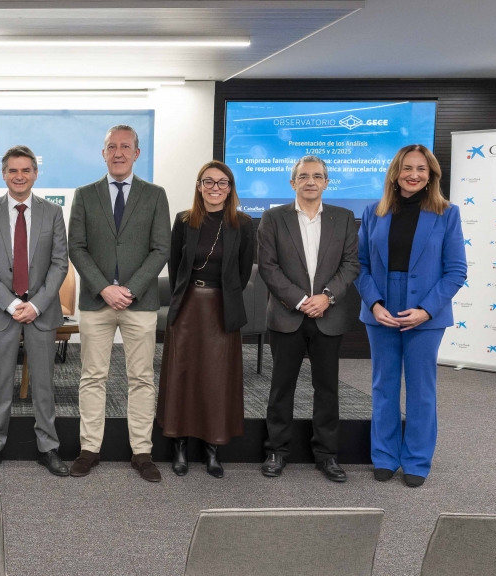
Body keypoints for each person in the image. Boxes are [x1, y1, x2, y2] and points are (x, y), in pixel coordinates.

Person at [356, 144, 466, 488]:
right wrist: (374, 304)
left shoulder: (448, 213)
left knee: (421, 390)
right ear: (395, 172)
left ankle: (417, 460)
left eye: (421, 169)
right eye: (407, 168)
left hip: (426, 313)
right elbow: (361, 266)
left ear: (432, 174)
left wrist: (426, 310)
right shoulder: (374, 211)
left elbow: (456, 271)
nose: (414, 175)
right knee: (383, 387)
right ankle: (385, 457)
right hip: (382, 309)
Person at [68, 125, 171, 482]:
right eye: (111, 146)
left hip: (139, 303)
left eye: (125, 146)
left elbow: (161, 248)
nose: (118, 152)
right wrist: (104, 289)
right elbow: (76, 248)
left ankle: (142, 451)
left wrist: (130, 288)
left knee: (141, 378)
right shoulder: (84, 194)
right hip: (97, 303)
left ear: (137, 153)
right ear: (103, 153)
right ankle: (89, 449)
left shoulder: (155, 195)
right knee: (92, 376)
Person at [256, 155, 359, 482]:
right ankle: (276, 450)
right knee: (280, 388)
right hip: (288, 316)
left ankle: (327, 454)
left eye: (317, 176)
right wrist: (301, 300)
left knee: (327, 389)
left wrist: (326, 297)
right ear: (293, 183)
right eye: (303, 176)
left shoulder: (344, 218)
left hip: (330, 315)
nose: (310, 181)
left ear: (327, 182)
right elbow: (268, 267)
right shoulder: (273, 219)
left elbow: (351, 265)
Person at [0, 145, 70, 477]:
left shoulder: (52, 213)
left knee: (44, 384)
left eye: (26, 170)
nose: (19, 176)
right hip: (2, 312)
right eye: (13, 170)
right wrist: (11, 303)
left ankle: (49, 447)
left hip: (41, 311)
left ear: (36, 174)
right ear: (3, 174)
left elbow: (59, 263)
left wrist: (37, 304)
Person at [157, 160, 254, 479]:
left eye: (222, 183)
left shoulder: (243, 222)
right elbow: (175, 266)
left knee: (216, 378)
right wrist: (183, 300)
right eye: (208, 182)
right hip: (187, 308)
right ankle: (180, 446)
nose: (215, 188)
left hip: (221, 308)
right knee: (182, 375)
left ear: (231, 188)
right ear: (199, 187)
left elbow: (242, 271)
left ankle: (213, 449)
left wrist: (220, 296)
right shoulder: (184, 220)